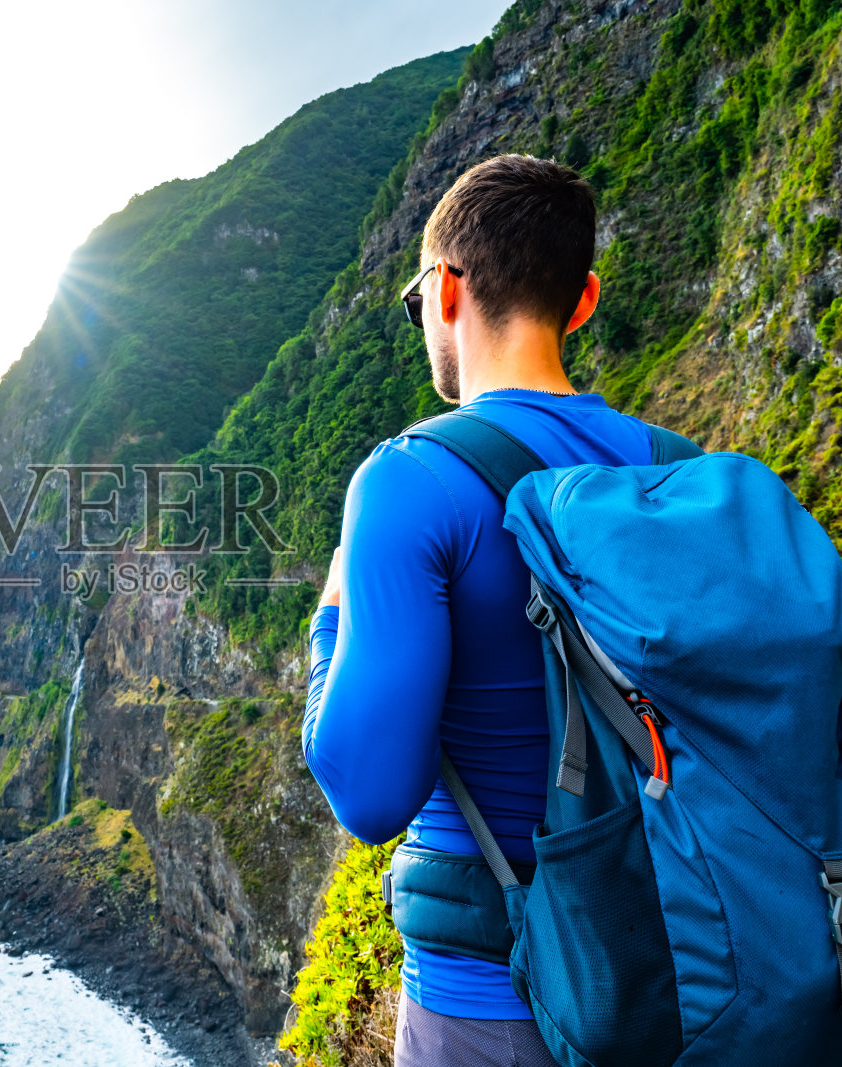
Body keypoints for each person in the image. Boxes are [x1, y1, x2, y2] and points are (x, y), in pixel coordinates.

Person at [302, 154, 652, 1066]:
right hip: (679, 979)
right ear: (581, 302)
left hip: (495, 1004)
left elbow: (368, 794)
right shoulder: (676, 471)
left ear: (447, 288)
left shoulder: (412, 480)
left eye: (419, 303)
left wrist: (330, 619)